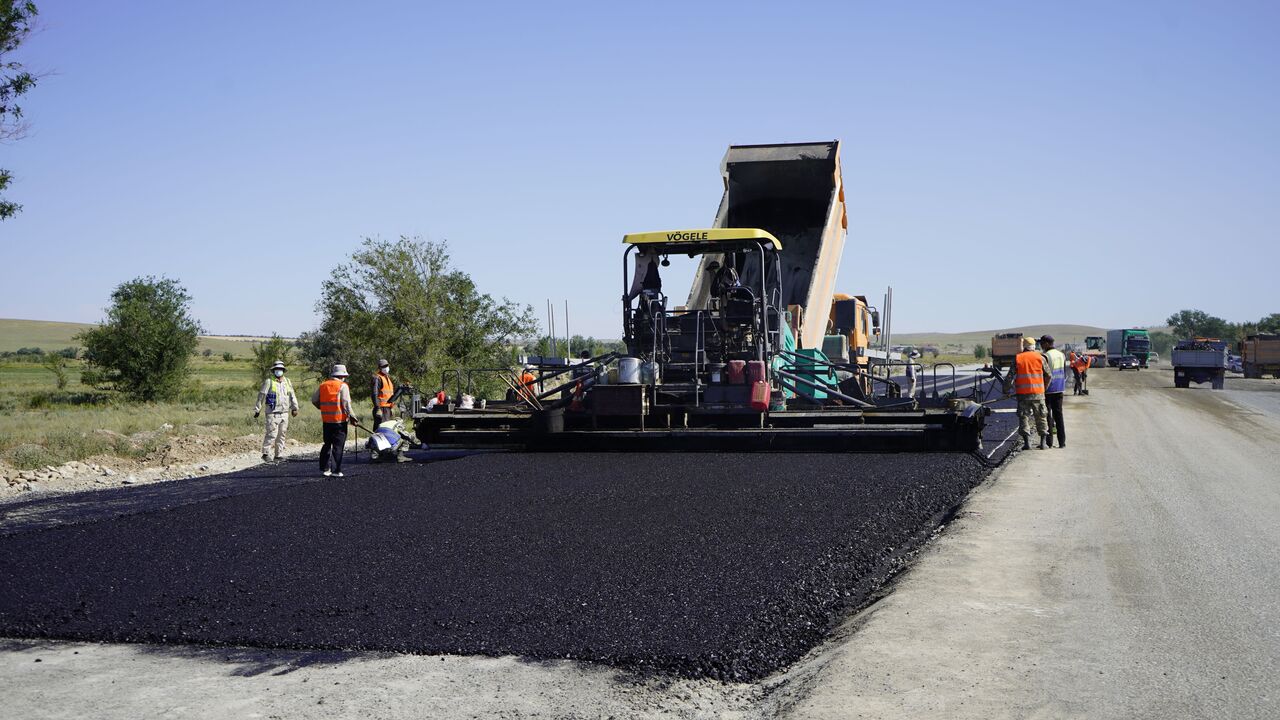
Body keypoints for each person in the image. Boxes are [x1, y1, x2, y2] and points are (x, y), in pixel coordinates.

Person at [1004, 337, 1052, 450]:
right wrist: (1044, 388)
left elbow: (1009, 377)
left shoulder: (1018, 358)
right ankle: (1043, 443)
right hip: (1038, 394)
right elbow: (1049, 375)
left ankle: (1027, 444)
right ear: (1034, 346)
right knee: (1041, 416)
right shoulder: (1040, 358)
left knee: (1024, 417)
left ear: (1024, 346)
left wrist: (1006, 390)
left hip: (1023, 395)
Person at [312, 364, 356, 477]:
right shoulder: (343, 386)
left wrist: (322, 408)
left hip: (326, 421)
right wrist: (353, 417)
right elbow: (346, 404)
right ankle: (336, 471)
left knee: (327, 444)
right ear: (342, 375)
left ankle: (325, 469)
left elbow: (314, 400)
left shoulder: (323, 385)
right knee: (338, 446)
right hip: (339, 421)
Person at [253, 360, 299, 463]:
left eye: (280, 370)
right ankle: (266, 454)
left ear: (283, 370)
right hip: (272, 413)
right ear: (273, 371)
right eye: (276, 370)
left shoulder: (287, 381)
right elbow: (261, 396)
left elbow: (292, 395)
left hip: (284, 413)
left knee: (282, 434)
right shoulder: (269, 381)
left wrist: (295, 408)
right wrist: (257, 409)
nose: (278, 371)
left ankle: (278, 455)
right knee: (272, 434)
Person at [1039, 335, 1068, 448]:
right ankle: (1062, 442)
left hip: (1048, 389)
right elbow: (1064, 371)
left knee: (1047, 415)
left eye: (1041, 344)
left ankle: (1049, 442)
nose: (1041, 346)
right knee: (1059, 415)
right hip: (1059, 388)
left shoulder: (1045, 356)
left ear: (1046, 343)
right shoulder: (1062, 355)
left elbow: (1043, 373)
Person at [371, 358, 397, 424]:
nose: (386, 368)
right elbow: (374, 394)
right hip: (381, 409)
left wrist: (392, 407)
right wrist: (378, 408)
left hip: (387, 409)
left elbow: (390, 394)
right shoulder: (377, 378)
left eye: (386, 366)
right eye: (383, 366)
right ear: (380, 368)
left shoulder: (388, 377)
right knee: (380, 430)